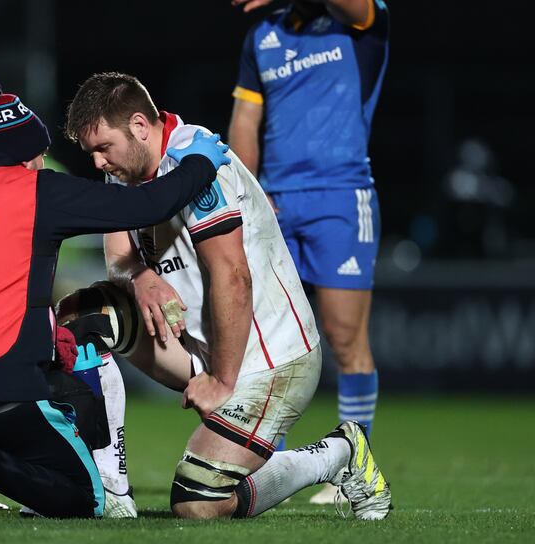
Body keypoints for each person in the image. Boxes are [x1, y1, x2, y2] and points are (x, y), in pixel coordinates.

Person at [0, 77, 232, 519]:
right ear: (22, 154)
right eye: (39, 153)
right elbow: (147, 206)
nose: (41, 162)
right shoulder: (35, 190)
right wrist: (201, 163)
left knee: (58, 379)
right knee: (86, 496)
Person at [61, 71, 391, 520]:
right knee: (79, 317)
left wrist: (221, 381)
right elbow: (118, 257)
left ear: (139, 126)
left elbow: (233, 276)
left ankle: (338, 453)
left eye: (103, 147)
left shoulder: (194, 161)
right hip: (202, 349)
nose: (98, 162)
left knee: (197, 504)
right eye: (92, 153)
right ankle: (109, 486)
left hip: (270, 360)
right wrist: (139, 276)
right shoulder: (126, 168)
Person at [228, 0, 389, 503]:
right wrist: (250, 194)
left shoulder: (360, 19)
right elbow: (245, 122)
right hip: (277, 203)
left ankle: (354, 465)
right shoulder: (262, 36)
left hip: (341, 198)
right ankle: (266, 466)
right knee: (270, 341)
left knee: (344, 337)